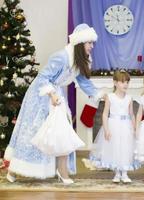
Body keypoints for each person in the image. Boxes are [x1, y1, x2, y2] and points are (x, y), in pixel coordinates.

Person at [4, 23, 103, 184]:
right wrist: (51, 94)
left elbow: (84, 82)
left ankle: (61, 170)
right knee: (34, 131)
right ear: (80, 43)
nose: (92, 46)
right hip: (40, 95)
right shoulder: (61, 57)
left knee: (60, 132)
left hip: (56, 95)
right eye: (89, 42)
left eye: (92, 43)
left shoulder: (80, 60)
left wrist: (99, 94)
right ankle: (15, 169)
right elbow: (43, 77)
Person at [82, 70, 139, 183]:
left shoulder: (129, 98)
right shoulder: (110, 97)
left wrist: (134, 127)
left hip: (126, 126)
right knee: (115, 148)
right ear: (115, 83)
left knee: (125, 148)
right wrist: (106, 129)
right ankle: (117, 173)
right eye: (123, 82)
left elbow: (132, 114)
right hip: (113, 125)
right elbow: (104, 114)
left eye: (127, 82)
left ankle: (125, 173)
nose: (126, 85)